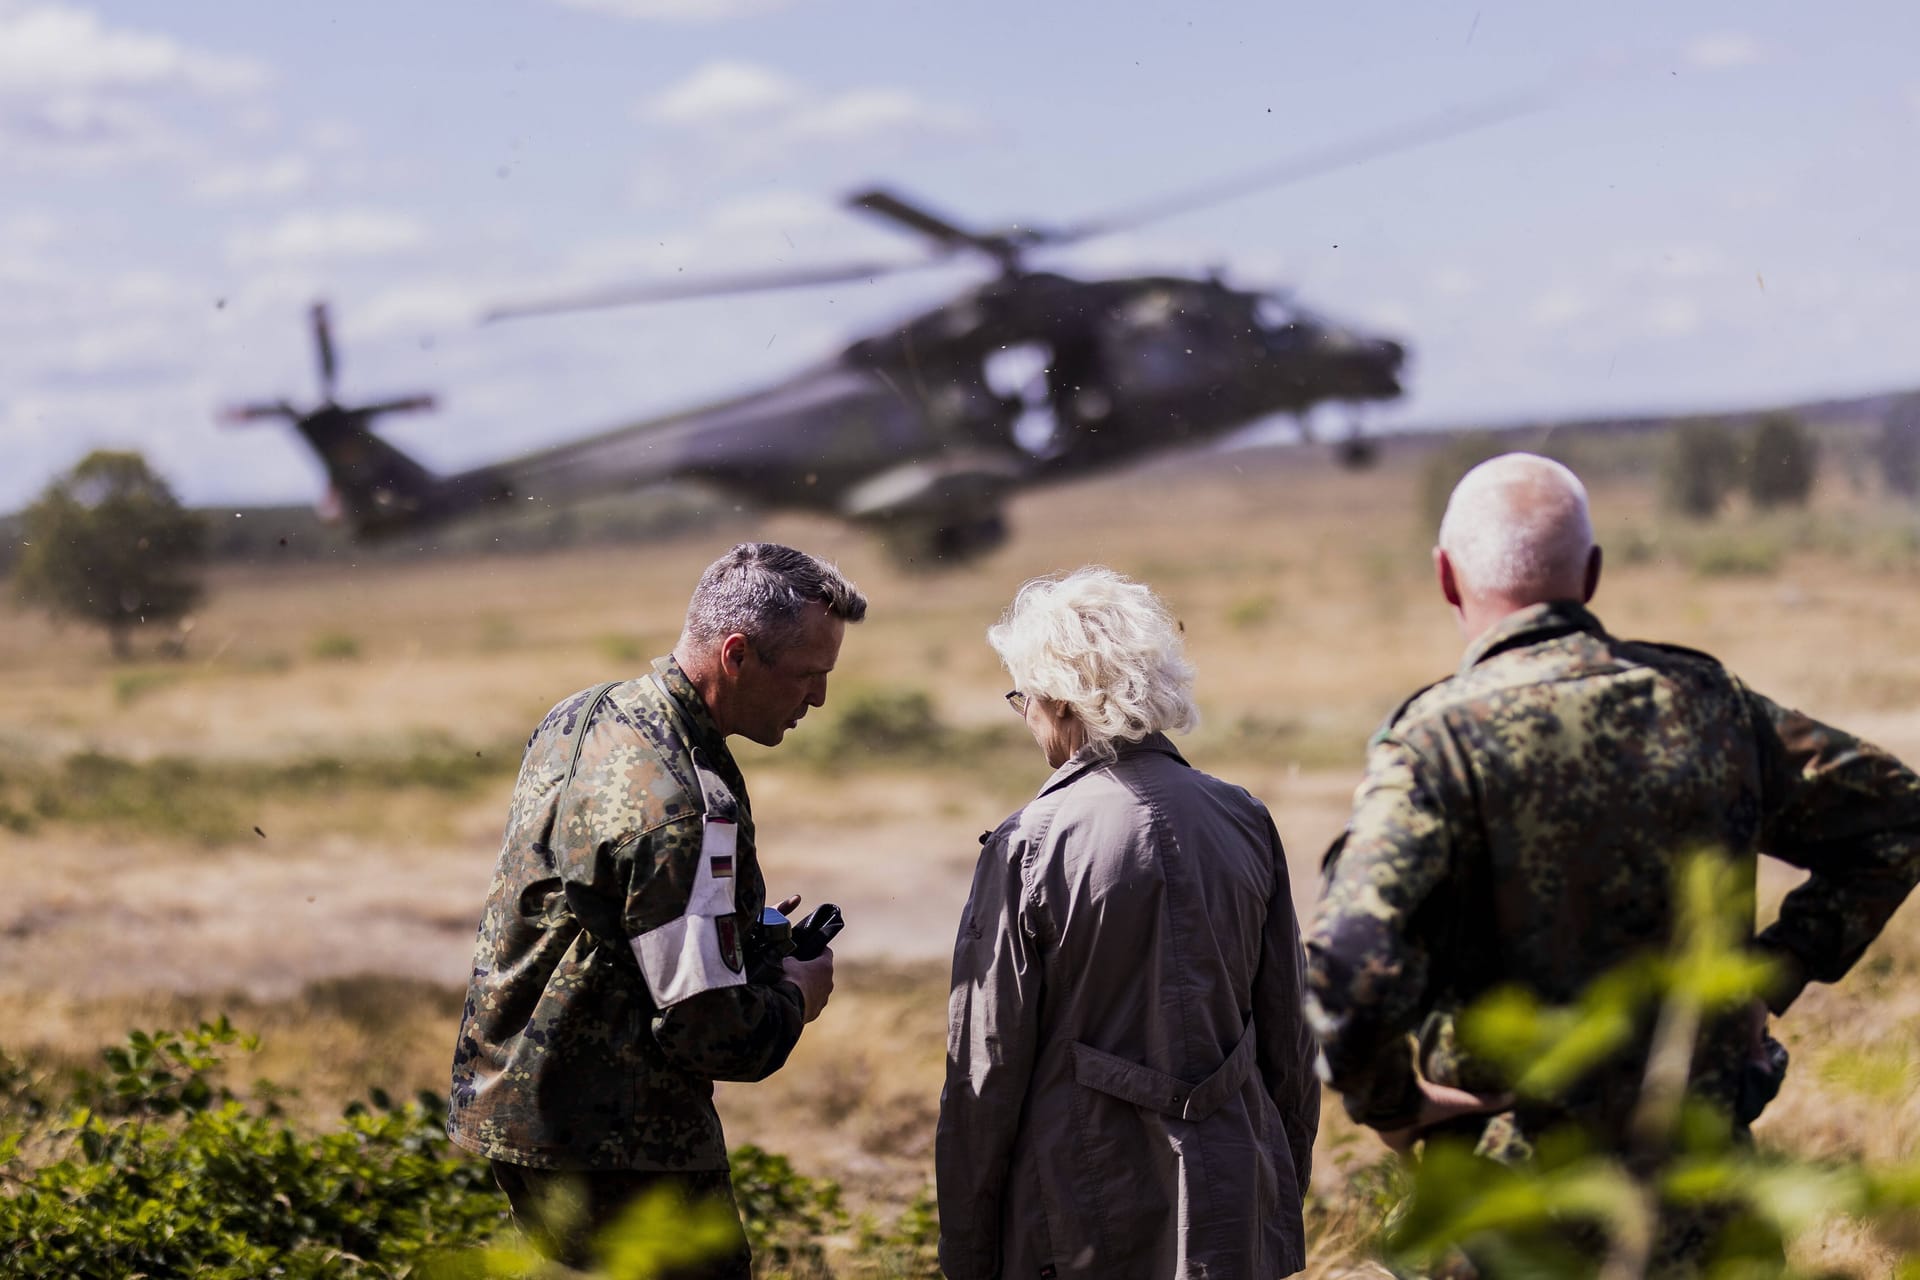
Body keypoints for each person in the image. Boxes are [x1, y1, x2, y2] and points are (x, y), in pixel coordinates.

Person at [1306, 453, 1920, 1266]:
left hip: (1514, 1210)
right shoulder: (1710, 705)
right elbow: (1897, 816)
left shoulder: (1437, 746)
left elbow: (1349, 960)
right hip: (1695, 1198)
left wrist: (1391, 1101)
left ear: (1446, 578)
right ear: (1590, 574)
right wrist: (1773, 971)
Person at [448, 543, 866, 1277]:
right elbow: (710, 1033)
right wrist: (795, 996)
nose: (819, 701)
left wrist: (739, 932)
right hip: (623, 1144)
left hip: (517, 1115)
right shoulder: (685, 809)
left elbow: (603, 916)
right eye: (808, 676)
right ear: (736, 654)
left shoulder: (583, 715)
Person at [939, 567, 1320, 1280]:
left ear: (1057, 700)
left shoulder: (1029, 846)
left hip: (1080, 1208)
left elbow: (984, 1074)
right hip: (1237, 1194)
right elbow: (1289, 1043)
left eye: (1023, 698)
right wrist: (1278, 1187)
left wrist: (966, 1250)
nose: (1025, 717)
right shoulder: (1245, 819)